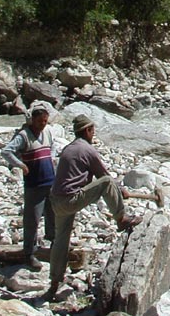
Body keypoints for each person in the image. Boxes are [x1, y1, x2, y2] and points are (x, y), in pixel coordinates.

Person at [43, 114, 141, 301]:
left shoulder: (68, 148)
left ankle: (54, 284)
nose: (93, 134)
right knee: (105, 182)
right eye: (92, 130)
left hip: (56, 202)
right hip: (71, 199)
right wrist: (120, 191)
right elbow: (104, 177)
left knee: (60, 240)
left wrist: (117, 190)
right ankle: (121, 218)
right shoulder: (87, 150)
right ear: (87, 131)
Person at [1, 104, 56, 270]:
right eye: (39, 121)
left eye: (45, 121)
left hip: (50, 181)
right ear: (32, 120)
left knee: (53, 215)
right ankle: (29, 254)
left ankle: (54, 245)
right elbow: (6, 151)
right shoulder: (23, 136)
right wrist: (21, 165)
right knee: (32, 219)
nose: (42, 124)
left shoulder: (47, 132)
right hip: (34, 184)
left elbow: (52, 146)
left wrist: (51, 158)